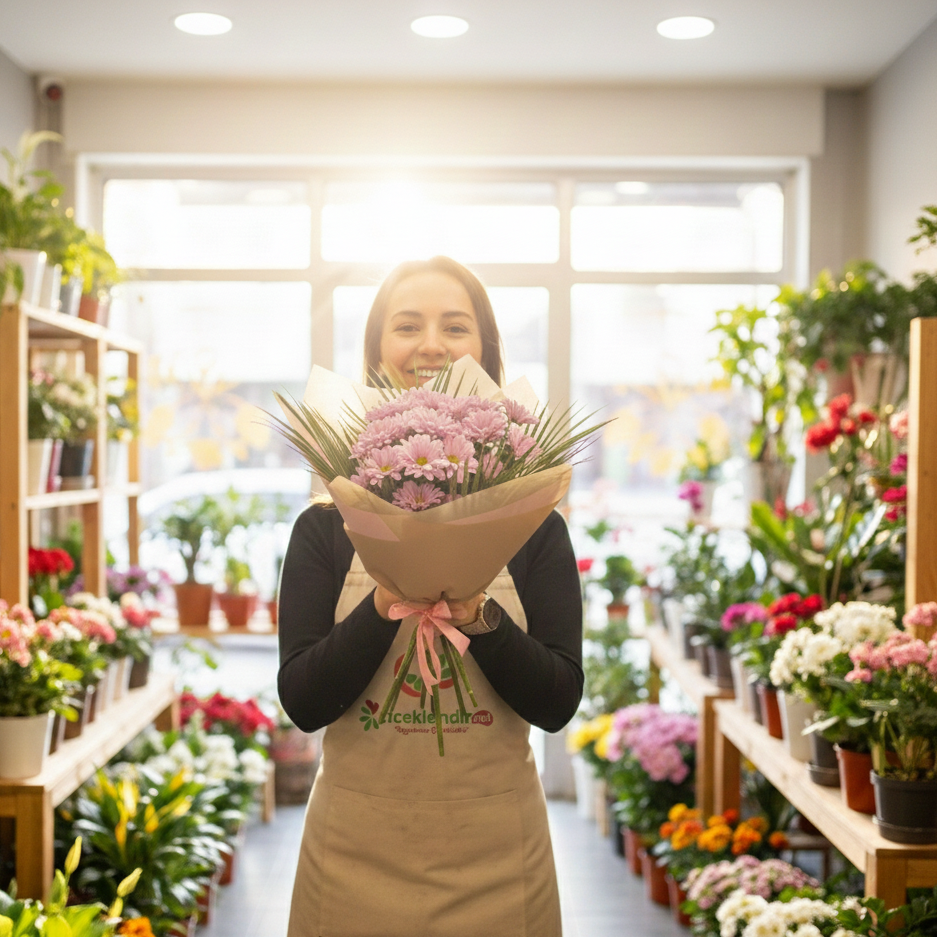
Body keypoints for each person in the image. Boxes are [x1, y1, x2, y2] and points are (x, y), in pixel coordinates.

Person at [278, 255, 583, 937]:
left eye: (455, 326)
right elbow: (301, 699)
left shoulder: (534, 526)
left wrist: (478, 615)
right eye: (406, 325)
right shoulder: (326, 525)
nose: (430, 344)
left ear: (486, 352)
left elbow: (558, 700)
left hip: (498, 855)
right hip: (354, 850)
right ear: (375, 351)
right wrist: (387, 600)